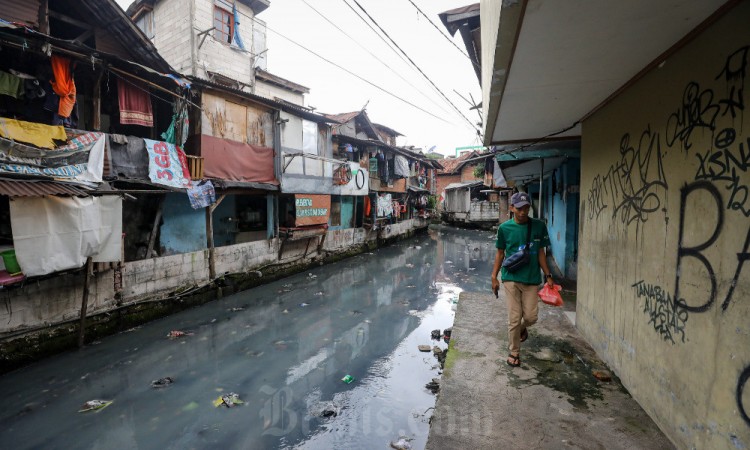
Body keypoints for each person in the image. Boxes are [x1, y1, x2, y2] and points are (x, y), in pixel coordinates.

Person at [491, 192, 554, 367]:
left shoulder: (538, 227)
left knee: (531, 317)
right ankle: (514, 351)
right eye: (519, 208)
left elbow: (541, 253)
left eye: (526, 208)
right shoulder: (504, 229)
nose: (523, 212)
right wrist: (494, 277)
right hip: (510, 277)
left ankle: (522, 328)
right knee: (514, 317)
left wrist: (548, 275)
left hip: (532, 279)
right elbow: (500, 253)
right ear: (512, 208)